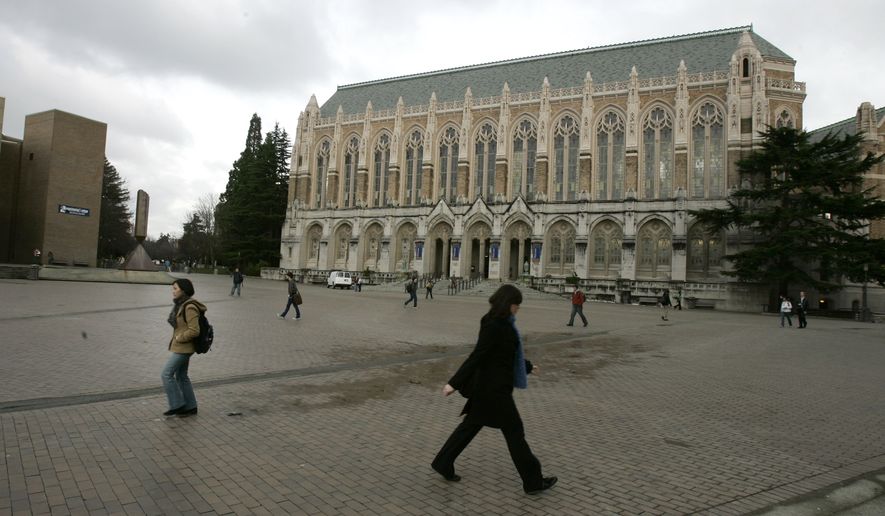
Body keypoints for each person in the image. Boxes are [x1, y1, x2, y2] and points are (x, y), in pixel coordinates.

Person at [431, 284, 557, 495]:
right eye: (517, 305)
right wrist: (454, 383)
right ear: (509, 304)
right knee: (515, 433)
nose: (518, 309)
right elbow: (478, 355)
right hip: (495, 391)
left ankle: (443, 462)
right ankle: (533, 481)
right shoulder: (496, 326)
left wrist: (526, 366)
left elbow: (504, 356)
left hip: (487, 389)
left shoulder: (496, 322)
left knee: (469, 427)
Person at [162, 278, 205, 417]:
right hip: (181, 347)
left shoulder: (189, 307)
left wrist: (179, 338)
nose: (173, 291)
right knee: (181, 376)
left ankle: (177, 404)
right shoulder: (181, 304)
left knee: (166, 374)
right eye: (172, 288)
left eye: (175, 288)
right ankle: (191, 406)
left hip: (185, 347)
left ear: (183, 290)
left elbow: (194, 330)